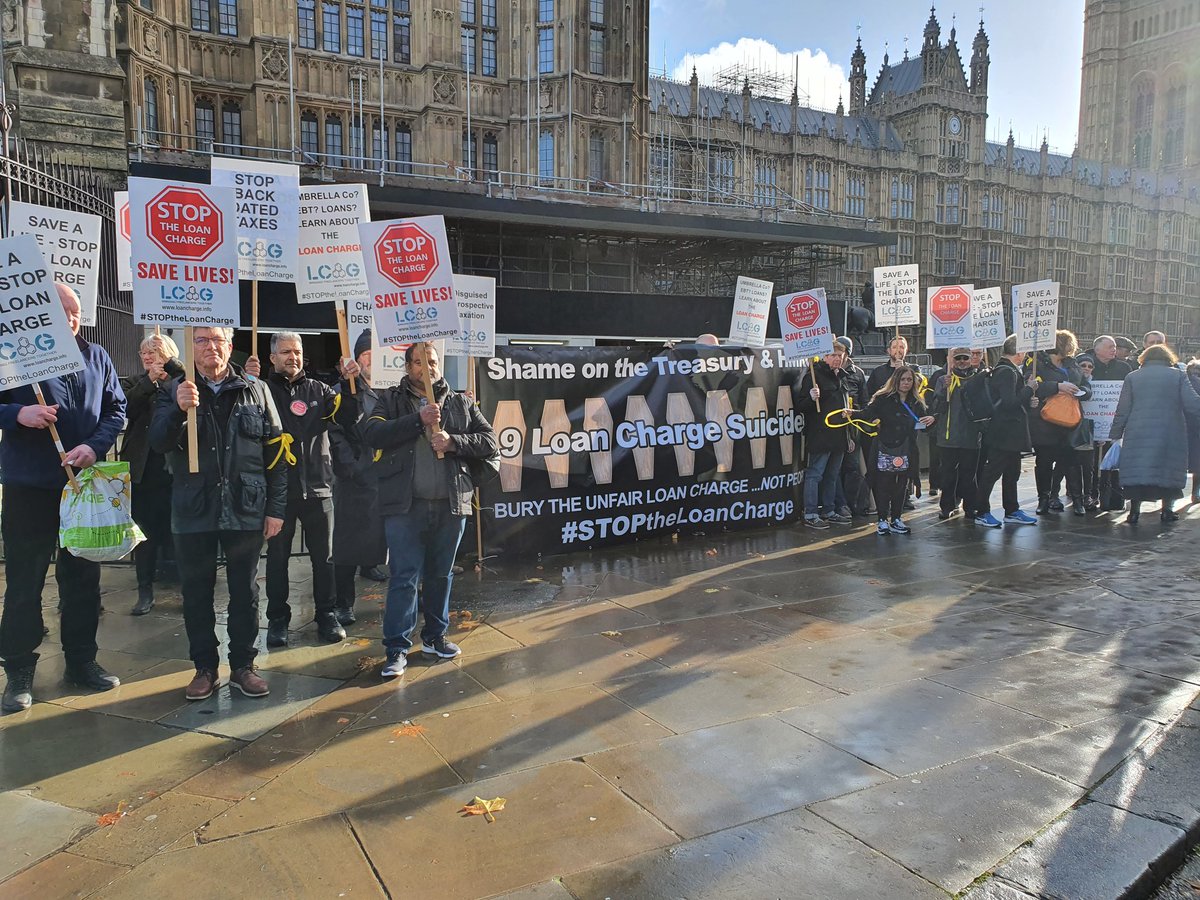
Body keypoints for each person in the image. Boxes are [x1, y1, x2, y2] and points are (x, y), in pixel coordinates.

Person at [0, 284, 127, 712]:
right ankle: (18, 670)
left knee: (83, 580)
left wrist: (95, 445)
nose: (72, 318)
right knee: (24, 581)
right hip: (30, 486)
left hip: (84, 484)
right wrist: (18, 414)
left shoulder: (97, 355)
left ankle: (82, 661)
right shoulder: (12, 355)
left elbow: (116, 409)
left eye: (76, 311)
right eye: (63, 310)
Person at [149, 326, 287, 701]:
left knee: (245, 591)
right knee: (196, 592)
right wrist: (178, 409)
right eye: (202, 340)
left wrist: (275, 509)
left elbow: (276, 454)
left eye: (218, 340)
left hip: (246, 505)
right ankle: (204, 668)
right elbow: (158, 442)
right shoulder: (171, 388)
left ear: (230, 345)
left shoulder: (256, 389)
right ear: (191, 347)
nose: (211, 347)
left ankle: (243, 665)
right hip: (193, 508)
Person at [361, 343, 499, 679]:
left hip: (452, 505)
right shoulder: (390, 400)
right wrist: (416, 420)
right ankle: (396, 648)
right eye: (420, 362)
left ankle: (435, 637)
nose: (429, 366)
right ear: (408, 367)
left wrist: (454, 442)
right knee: (404, 578)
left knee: (441, 575)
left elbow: (491, 441)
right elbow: (371, 433)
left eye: (434, 361)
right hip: (405, 508)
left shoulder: (461, 402)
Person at [245, 333, 359, 647]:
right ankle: (278, 620)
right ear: (272, 357)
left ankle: (327, 615)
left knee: (325, 559)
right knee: (278, 560)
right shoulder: (261, 390)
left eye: (296, 351)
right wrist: (248, 381)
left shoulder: (320, 390)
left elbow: (347, 418)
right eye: (285, 352)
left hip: (319, 487)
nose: (292, 357)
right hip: (279, 492)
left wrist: (350, 385)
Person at [120, 333, 184, 616]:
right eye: (144, 353)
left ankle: (185, 591)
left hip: (173, 468)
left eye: (155, 352)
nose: (148, 357)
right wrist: (149, 381)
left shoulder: (178, 380)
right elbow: (128, 407)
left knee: (178, 533)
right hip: (143, 471)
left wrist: (169, 371)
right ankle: (144, 590)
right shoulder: (135, 383)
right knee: (144, 534)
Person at [330, 330, 388, 626]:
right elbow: (335, 431)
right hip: (355, 477)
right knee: (347, 543)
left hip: (386, 476)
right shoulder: (345, 389)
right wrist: (351, 466)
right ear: (358, 358)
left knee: (387, 537)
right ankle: (343, 603)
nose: (371, 360)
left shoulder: (391, 389)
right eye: (366, 354)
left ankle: (376, 570)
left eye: (376, 353)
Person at [1110, 344, 1200, 524]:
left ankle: (1133, 512)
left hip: (1138, 430)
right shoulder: (1178, 376)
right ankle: (1167, 511)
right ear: (1169, 358)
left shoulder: (1133, 377)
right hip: (1170, 431)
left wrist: (1115, 432)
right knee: (1168, 470)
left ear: (1144, 358)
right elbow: (1192, 404)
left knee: (1137, 471)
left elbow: (1123, 408)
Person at [973, 335, 1039, 527]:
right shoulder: (1007, 372)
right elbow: (1009, 403)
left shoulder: (1004, 369)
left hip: (1008, 431)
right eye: (1024, 352)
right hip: (1004, 431)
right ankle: (982, 511)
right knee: (993, 472)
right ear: (1018, 352)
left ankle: (1011, 509)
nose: (1025, 356)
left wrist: (1028, 398)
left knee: (1012, 472)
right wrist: (1028, 389)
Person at [859, 367, 934, 534]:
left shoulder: (916, 401)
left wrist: (931, 420)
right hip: (886, 447)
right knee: (883, 485)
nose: (906, 383)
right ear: (896, 380)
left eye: (909, 379)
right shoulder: (882, 398)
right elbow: (866, 414)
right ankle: (882, 519)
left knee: (901, 486)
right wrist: (852, 413)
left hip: (906, 448)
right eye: (903, 379)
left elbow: (924, 427)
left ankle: (897, 518)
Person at [1027, 330, 1092, 516]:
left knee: (1072, 463)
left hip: (1070, 420)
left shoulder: (1072, 365)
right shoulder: (1036, 365)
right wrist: (1058, 387)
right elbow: (1032, 387)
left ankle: (1078, 501)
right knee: (1044, 463)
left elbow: (1086, 385)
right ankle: (1044, 499)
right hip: (1045, 422)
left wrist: (1084, 392)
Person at [795, 346, 854, 529]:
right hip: (820, 434)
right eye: (833, 355)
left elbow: (846, 408)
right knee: (815, 474)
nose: (837, 358)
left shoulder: (843, 376)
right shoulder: (813, 375)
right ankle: (811, 512)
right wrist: (812, 398)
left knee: (832, 475)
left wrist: (849, 436)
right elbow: (801, 406)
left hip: (839, 435)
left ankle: (829, 510)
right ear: (825, 356)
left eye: (840, 355)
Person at [929, 347, 982, 520]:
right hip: (948, 435)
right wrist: (945, 389)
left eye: (965, 358)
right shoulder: (943, 379)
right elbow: (937, 408)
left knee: (969, 474)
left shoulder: (978, 378)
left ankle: (971, 506)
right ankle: (947, 506)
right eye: (957, 358)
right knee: (947, 475)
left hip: (970, 435)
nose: (961, 361)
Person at [833, 336, 871, 518]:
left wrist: (858, 415)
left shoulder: (858, 373)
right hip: (833, 425)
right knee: (834, 468)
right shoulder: (828, 371)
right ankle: (839, 504)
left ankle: (851, 502)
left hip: (853, 426)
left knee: (852, 467)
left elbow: (864, 401)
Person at [1188, 359, 1200, 504]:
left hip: (1182, 427)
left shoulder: (1182, 382)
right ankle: (1195, 493)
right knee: (1198, 464)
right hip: (1197, 428)